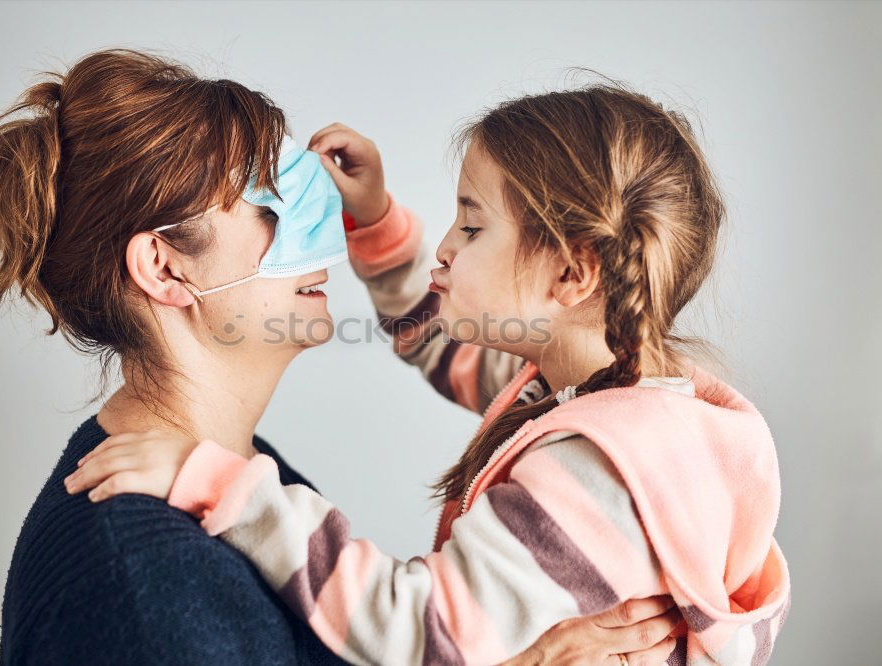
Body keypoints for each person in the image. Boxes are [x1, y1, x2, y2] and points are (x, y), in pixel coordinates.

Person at [0, 49, 677, 665]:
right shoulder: (148, 587)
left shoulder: (241, 474)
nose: (317, 221)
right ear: (164, 267)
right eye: (266, 203)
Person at [68, 86, 791, 665]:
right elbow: (446, 351)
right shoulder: (604, 395)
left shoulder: (600, 468)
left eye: (471, 227)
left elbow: (417, 629)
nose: (446, 245)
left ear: (572, 272)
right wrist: (377, 221)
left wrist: (224, 485)